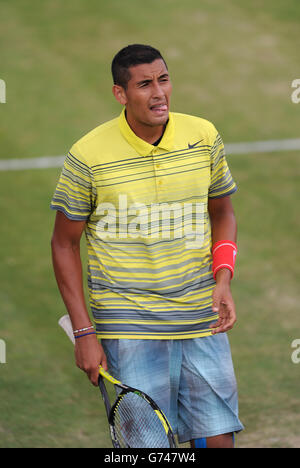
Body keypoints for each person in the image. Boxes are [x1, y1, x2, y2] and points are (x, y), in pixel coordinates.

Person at [51, 44, 244, 448]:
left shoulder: (203, 135)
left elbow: (222, 213)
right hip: (129, 325)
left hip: (199, 316)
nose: (159, 93)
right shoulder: (88, 156)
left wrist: (223, 279)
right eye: (144, 85)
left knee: (220, 441)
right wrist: (85, 333)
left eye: (163, 80)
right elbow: (64, 244)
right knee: (147, 450)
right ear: (120, 93)